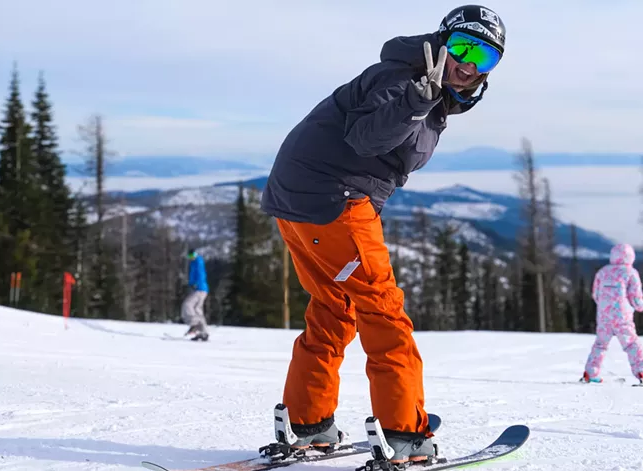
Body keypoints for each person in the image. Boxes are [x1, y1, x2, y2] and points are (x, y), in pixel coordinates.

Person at [260, 4, 507, 463]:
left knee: (337, 305)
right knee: (384, 313)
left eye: (485, 58)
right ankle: (404, 436)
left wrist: (427, 100)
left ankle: (309, 423)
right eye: (462, 47)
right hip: (333, 199)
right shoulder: (404, 80)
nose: (469, 64)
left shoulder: (423, 86)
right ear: (442, 41)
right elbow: (367, 139)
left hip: (300, 199)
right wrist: (418, 99)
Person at [581, 243, 643, 384]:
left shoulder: (603, 272)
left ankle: (590, 373)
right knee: (631, 344)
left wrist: (606, 307)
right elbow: (635, 297)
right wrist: (641, 306)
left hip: (604, 316)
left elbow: (596, 294)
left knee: (600, 344)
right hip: (622, 317)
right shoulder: (630, 272)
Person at [182, 248, 210, 341]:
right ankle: (203, 333)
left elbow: (201, 274)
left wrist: (196, 284)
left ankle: (195, 324)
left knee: (187, 305)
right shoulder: (194, 262)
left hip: (199, 289)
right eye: (189, 256)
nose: (191, 258)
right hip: (201, 289)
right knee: (198, 310)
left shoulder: (198, 262)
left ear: (195, 254)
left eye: (192, 255)